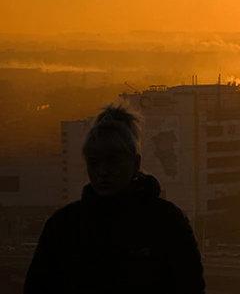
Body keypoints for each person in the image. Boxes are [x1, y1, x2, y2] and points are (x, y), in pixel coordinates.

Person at [24, 104, 204, 294]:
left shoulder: (166, 223)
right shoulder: (63, 226)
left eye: (113, 161)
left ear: (135, 163)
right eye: (94, 162)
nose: (102, 172)